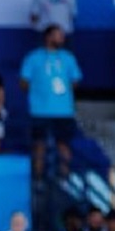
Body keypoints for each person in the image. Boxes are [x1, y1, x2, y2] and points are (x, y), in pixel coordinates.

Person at [21, 26, 82, 178]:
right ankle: (38, 179)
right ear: (48, 37)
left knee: (64, 145)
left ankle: (65, 179)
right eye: (58, 35)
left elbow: (75, 81)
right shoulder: (33, 57)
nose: (62, 38)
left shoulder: (68, 57)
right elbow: (23, 82)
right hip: (40, 111)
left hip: (64, 111)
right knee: (39, 146)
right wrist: (40, 90)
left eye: (62, 35)